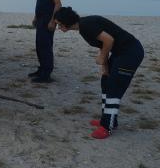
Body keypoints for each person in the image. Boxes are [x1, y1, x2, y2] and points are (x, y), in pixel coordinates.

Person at [54, 7, 144, 139]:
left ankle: (107, 127)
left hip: (130, 53)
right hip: (120, 53)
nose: (58, 27)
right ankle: (107, 119)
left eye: (59, 24)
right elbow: (103, 45)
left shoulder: (86, 25)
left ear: (66, 22)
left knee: (114, 87)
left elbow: (109, 40)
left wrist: (102, 57)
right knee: (106, 81)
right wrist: (105, 66)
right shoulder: (83, 28)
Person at [29, 0, 61, 83]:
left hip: (48, 22)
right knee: (39, 46)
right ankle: (41, 69)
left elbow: (58, 4)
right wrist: (36, 17)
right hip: (40, 21)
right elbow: (40, 4)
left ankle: (46, 75)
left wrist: (53, 21)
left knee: (46, 48)